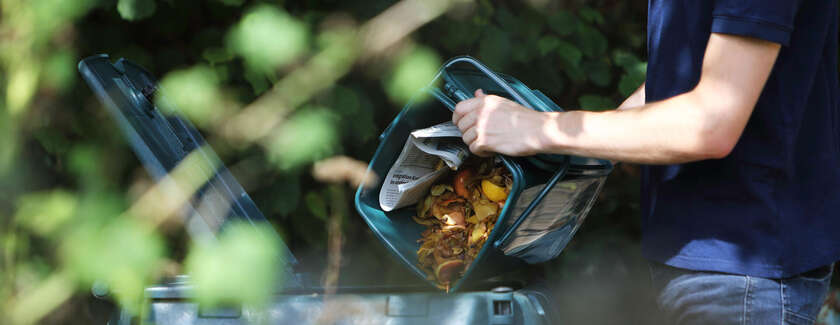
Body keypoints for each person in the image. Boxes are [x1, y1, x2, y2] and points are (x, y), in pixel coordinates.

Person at [452, 1, 839, 324]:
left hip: (742, 275)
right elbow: (684, 79)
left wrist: (542, 128)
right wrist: (572, 142)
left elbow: (712, 124)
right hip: (690, 260)